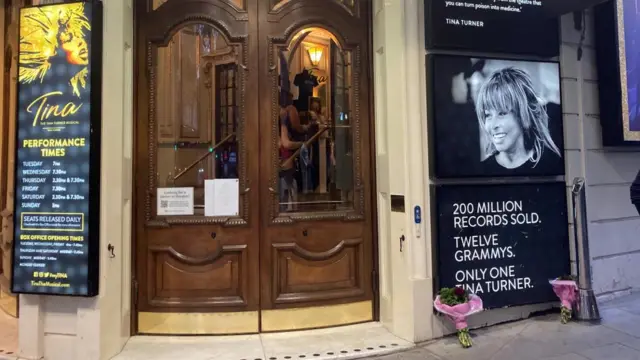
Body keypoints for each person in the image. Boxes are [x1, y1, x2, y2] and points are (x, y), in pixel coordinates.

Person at [474, 67, 562, 173]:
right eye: (488, 115)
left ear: (522, 115)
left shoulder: (551, 166)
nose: (493, 125)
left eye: (502, 113)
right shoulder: (482, 172)